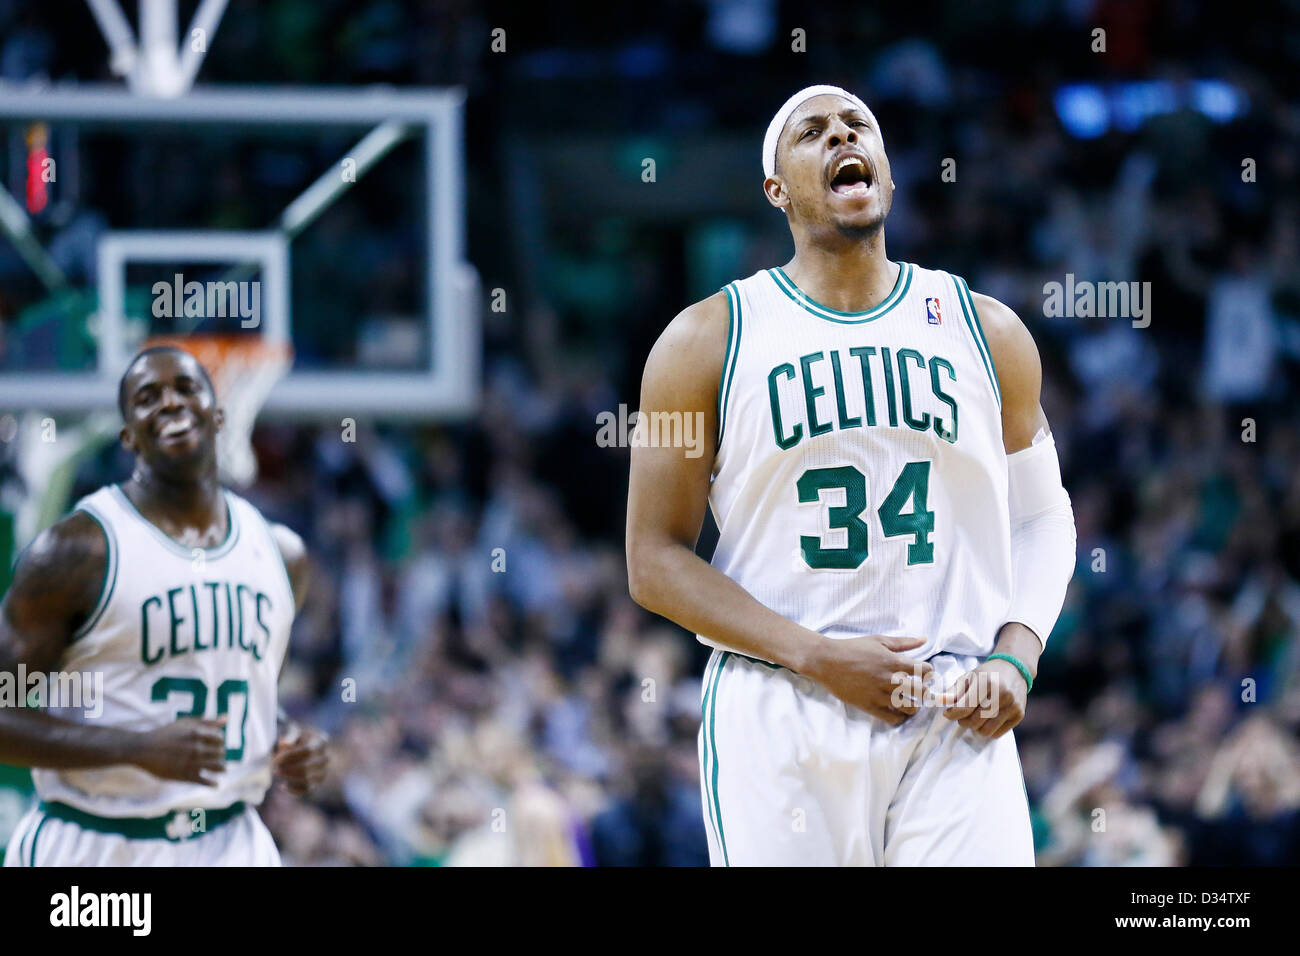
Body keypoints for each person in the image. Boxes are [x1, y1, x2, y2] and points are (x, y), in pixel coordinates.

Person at [626, 85, 1076, 865]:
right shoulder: (699, 342)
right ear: (777, 189)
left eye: (856, 125)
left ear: (888, 176)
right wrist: (816, 655)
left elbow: (1042, 517)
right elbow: (653, 560)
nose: (840, 135)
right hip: (782, 706)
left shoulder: (988, 329)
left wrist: (1017, 655)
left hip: (951, 708)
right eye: (812, 132)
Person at [0, 345, 327, 865]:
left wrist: (288, 741)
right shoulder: (75, 551)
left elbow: (250, 695)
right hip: (96, 844)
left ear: (219, 413)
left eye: (186, 389)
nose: (170, 403)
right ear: (127, 435)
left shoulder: (282, 556)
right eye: (148, 398)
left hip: (229, 841)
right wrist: (132, 748)